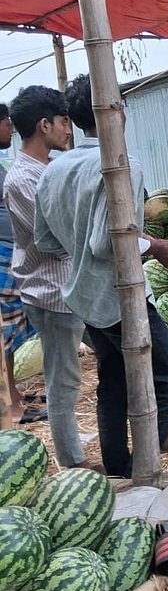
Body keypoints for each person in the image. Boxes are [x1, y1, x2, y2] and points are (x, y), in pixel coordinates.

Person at [35, 75, 168, 478]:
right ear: (116, 112)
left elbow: (47, 241)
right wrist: (156, 246)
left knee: (113, 381)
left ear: (73, 118)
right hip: (119, 296)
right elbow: (109, 245)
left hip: (83, 296)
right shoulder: (120, 164)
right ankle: (145, 457)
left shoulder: (54, 170)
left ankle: (118, 464)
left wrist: (80, 234)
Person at [4, 86, 96, 464]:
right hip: (53, 293)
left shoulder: (48, 170)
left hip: (72, 287)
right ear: (45, 125)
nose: (68, 131)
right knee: (63, 383)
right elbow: (53, 242)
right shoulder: (23, 180)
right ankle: (72, 461)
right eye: (62, 123)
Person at [0, 102, 46, 426]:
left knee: (11, 328)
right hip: (1, 255)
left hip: (7, 251)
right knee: (3, 331)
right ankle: (10, 406)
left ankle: (13, 396)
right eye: (6, 123)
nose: (11, 129)